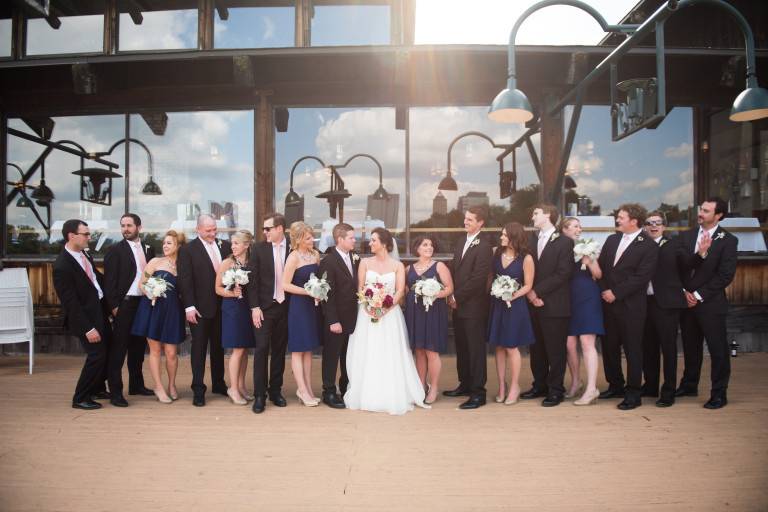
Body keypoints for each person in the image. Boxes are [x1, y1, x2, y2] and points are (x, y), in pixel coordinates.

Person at [344, 227, 428, 415]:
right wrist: (369, 306)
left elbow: (399, 290)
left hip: (390, 315)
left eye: (373, 240)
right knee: (368, 351)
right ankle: (367, 393)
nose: (370, 243)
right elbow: (360, 288)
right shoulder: (364, 263)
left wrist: (384, 308)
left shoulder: (397, 265)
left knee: (389, 352)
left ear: (383, 243)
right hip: (367, 314)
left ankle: (391, 392)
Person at [676, 197, 738, 409]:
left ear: (718, 215)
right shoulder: (686, 236)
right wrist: (684, 292)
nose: (700, 213)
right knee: (690, 347)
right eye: (701, 209)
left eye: (706, 211)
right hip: (685, 302)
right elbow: (679, 266)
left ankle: (719, 393)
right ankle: (689, 384)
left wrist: (698, 295)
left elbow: (725, 275)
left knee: (717, 350)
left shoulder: (728, 240)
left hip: (711, 304)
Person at [597, 203, 658, 410]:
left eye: (621, 217)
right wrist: (605, 291)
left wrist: (616, 293)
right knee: (609, 347)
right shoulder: (612, 239)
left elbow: (641, 278)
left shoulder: (648, 245)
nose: (617, 220)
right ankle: (615, 385)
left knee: (633, 350)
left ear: (634, 221)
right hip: (607, 303)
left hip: (631, 306)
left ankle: (633, 393)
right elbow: (604, 268)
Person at [53, 219, 112, 410]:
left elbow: (95, 279)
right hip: (86, 317)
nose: (89, 237)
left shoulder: (84, 254)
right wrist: (88, 328)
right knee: (96, 355)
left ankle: (97, 388)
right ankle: (80, 397)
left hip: (100, 309)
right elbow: (71, 304)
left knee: (108, 350)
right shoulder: (62, 266)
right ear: (71, 236)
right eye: (85, 234)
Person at [522, 204, 574, 407]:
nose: (532, 215)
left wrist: (537, 292)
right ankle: (540, 385)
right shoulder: (531, 241)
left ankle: (556, 390)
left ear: (548, 215)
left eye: (536, 213)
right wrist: (531, 295)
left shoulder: (564, 242)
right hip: (533, 303)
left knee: (555, 350)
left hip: (555, 304)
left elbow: (563, 273)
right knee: (537, 349)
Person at [177, 214, 231, 406]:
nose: (212, 233)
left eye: (214, 229)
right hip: (199, 308)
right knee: (199, 349)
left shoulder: (225, 246)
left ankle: (218, 383)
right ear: (198, 229)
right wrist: (189, 306)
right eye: (208, 230)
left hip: (223, 306)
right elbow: (185, 280)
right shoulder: (187, 250)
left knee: (219, 347)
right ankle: (198, 389)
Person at [103, 213, 156, 407]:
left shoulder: (149, 249)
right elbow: (109, 282)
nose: (125, 229)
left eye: (129, 225)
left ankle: (136, 385)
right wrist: (114, 306)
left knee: (138, 347)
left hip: (143, 303)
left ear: (139, 227)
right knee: (119, 349)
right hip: (124, 304)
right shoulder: (115, 250)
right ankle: (116, 391)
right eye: (123, 225)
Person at [444, 206, 493, 410]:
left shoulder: (484, 246)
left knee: (475, 350)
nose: (466, 222)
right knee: (462, 347)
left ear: (480, 223)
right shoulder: (461, 241)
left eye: (470, 220)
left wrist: (457, 296)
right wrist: (447, 290)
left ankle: (478, 393)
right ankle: (464, 384)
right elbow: (455, 268)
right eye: (465, 219)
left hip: (474, 307)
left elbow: (478, 279)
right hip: (458, 305)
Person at [132, 230, 187, 403]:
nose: (165, 245)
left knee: (171, 352)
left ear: (178, 246)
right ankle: (158, 386)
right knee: (155, 350)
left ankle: (171, 384)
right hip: (153, 309)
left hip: (173, 311)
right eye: (164, 243)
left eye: (169, 243)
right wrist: (150, 291)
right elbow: (142, 283)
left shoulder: (183, 266)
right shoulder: (155, 262)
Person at [487, 222, 535, 405]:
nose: (501, 237)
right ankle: (501, 385)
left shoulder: (526, 258)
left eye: (505, 235)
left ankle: (515, 386)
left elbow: (528, 285)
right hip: (497, 304)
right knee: (499, 346)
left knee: (511, 346)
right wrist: (498, 291)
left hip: (515, 306)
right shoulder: (496, 253)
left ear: (514, 236)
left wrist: (511, 295)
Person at [246, 213, 290, 414]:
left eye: (268, 228)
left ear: (279, 228)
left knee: (280, 350)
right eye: (264, 228)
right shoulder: (258, 249)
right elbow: (252, 281)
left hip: (287, 307)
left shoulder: (293, 248)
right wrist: (254, 307)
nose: (264, 232)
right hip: (264, 308)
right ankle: (259, 396)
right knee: (262, 349)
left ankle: (275, 391)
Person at [404, 236, 453, 405]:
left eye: (431, 245)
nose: (429, 247)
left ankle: (434, 387)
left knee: (431, 351)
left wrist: (432, 293)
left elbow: (449, 288)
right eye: (425, 245)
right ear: (417, 248)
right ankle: (420, 386)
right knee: (419, 350)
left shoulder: (439, 266)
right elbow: (402, 290)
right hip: (414, 313)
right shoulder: (408, 268)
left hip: (433, 312)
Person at [560, 217, 603, 406]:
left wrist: (589, 259)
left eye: (580, 226)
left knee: (587, 342)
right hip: (568, 298)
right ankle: (576, 381)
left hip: (587, 297)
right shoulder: (561, 248)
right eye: (575, 226)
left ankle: (592, 388)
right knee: (569, 344)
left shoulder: (588, 245)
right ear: (564, 229)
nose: (579, 229)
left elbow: (599, 274)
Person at [318, 223, 359, 409]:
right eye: (351, 237)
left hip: (353, 317)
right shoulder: (328, 261)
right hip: (335, 319)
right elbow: (327, 294)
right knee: (332, 356)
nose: (354, 240)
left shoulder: (355, 258)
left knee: (348, 356)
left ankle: (345, 388)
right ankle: (328, 391)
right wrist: (333, 320)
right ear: (340, 239)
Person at [282, 222, 323, 407]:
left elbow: (320, 279)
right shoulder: (293, 257)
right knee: (299, 350)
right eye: (307, 238)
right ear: (298, 239)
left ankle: (308, 388)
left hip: (313, 307)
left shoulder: (315, 255)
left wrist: (320, 291)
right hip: (299, 307)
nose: (311, 240)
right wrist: (307, 291)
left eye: (311, 236)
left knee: (308, 349)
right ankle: (301, 389)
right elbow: (285, 285)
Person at [215, 230, 256, 406]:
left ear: (246, 245)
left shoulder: (251, 262)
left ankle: (241, 386)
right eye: (232, 243)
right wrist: (231, 293)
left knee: (245, 349)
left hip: (247, 307)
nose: (233, 246)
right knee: (237, 349)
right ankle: (232, 388)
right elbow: (217, 288)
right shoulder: (227, 263)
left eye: (236, 243)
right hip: (233, 308)